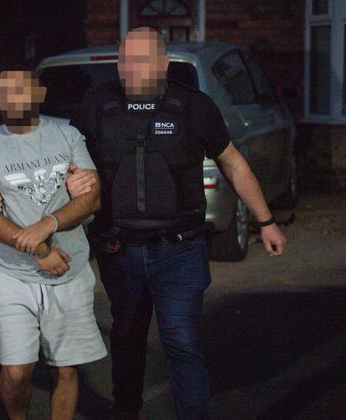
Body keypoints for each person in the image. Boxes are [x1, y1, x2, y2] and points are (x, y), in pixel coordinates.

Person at [69, 27, 287, 419]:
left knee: (181, 339)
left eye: (141, 59)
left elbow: (233, 163)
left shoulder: (194, 107)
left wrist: (265, 220)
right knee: (127, 336)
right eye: (124, 60)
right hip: (120, 247)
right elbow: (68, 163)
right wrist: (73, 180)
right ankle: (127, 409)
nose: (130, 68)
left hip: (180, 248)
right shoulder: (95, 106)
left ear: (163, 64)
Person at [0, 70, 107, 420]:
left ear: (39, 93)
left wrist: (48, 224)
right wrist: (41, 250)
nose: (10, 98)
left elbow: (92, 199)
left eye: (19, 90)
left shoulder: (67, 135)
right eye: (3, 92)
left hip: (69, 271)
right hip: (11, 274)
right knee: (16, 371)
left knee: (66, 369)